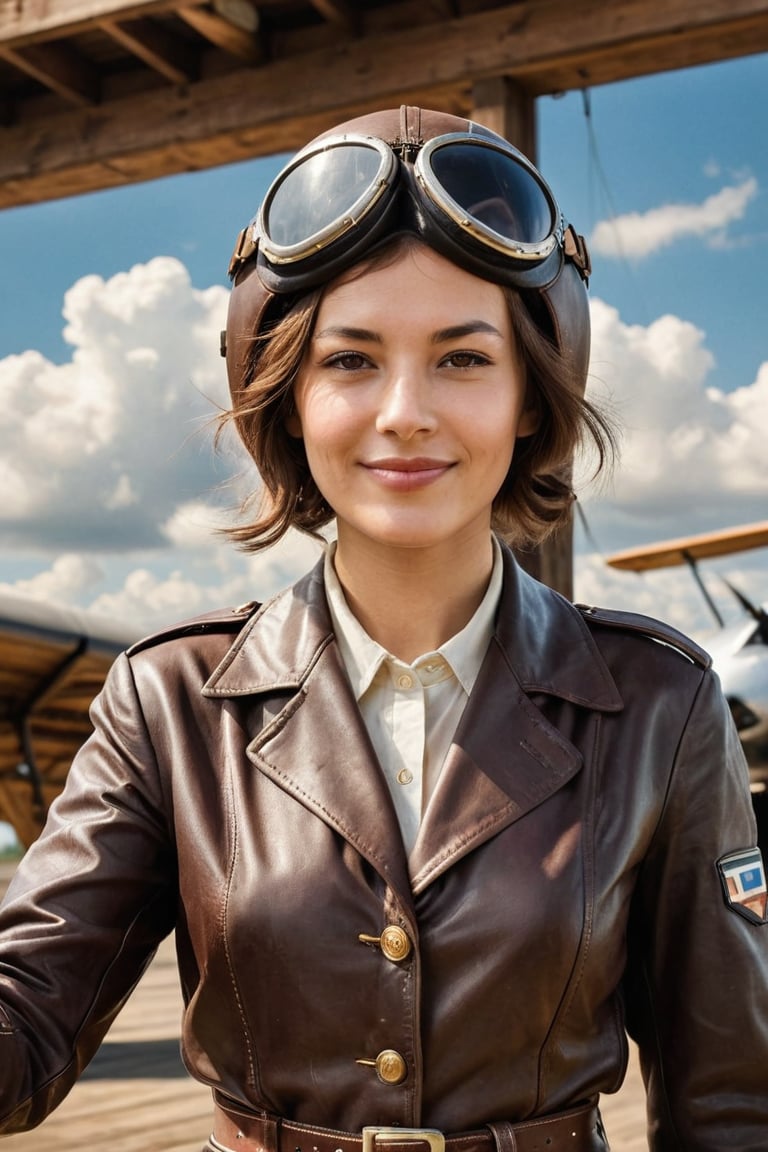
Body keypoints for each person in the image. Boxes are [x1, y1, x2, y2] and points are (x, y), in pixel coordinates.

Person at [0, 106, 766, 1152]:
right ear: (289, 396)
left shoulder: (662, 707)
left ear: (533, 397)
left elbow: (734, 1107)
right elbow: (24, 1015)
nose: (405, 411)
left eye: (463, 360)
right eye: (351, 361)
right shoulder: (169, 701)